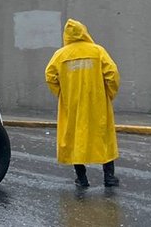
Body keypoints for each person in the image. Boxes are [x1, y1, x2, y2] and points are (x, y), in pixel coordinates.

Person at [44, 18, 120, 188]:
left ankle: (82, 178)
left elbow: (50, 77)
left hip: (72, 105)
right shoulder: (97, 51)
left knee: (74, 138)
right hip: (97, 103)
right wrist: (109, 94)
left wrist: (62, 94)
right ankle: (109, 177)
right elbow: (112, 74)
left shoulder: (60, 55)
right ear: (84, 31)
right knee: (103, 137)